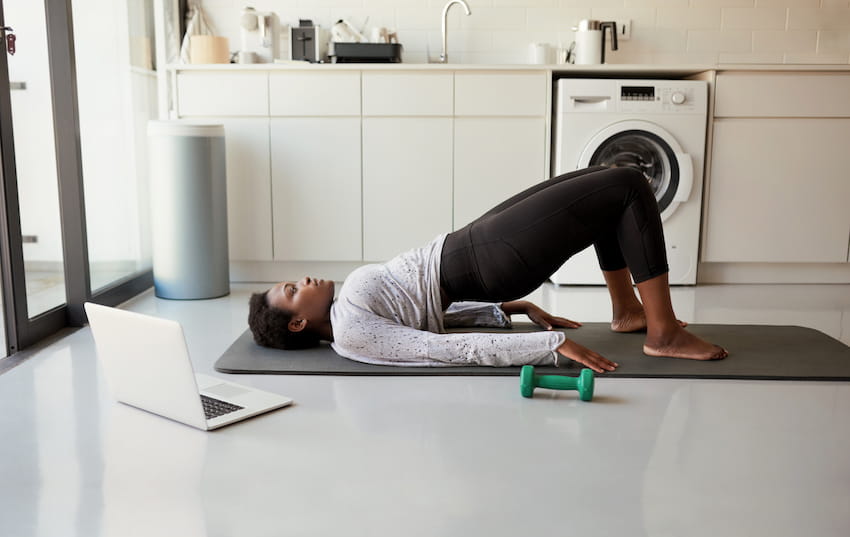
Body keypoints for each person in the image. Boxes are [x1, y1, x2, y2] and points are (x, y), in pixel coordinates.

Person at [248, 166, 727, 373]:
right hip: (485, 257)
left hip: (472, 248)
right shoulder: (352, 332)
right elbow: (441, 349)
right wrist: (548, 346)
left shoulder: (352, 313)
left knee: (598, 188)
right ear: (297, 321)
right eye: (293, 290)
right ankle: (662, 332)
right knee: (627, 185)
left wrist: (512, 308)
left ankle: (628, 311)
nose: (304, 280)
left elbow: (426, 313)